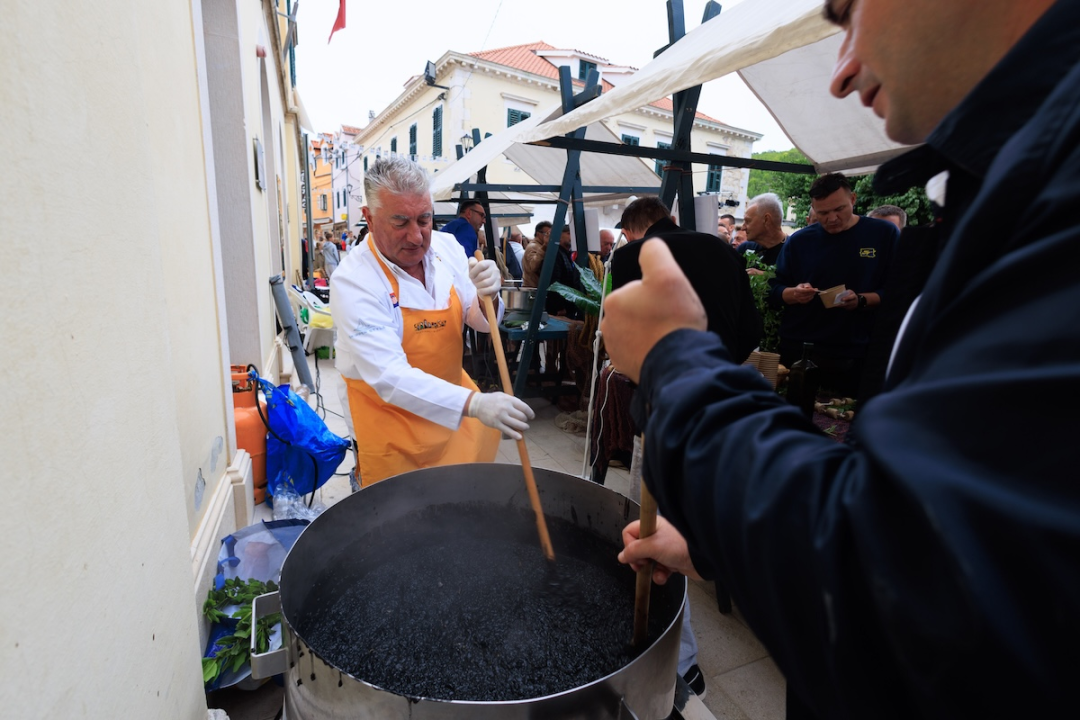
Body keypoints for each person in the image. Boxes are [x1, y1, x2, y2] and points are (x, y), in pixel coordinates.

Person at [606, 0, 1079, 717]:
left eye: (849, 11)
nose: (842, 69)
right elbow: (908, 512)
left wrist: (676, 365)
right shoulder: (1006, 181)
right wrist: (714, 545)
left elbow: (909, 612)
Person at [329, 156, 534, 487]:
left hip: (450, 413)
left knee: (460, 504)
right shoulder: (353, 281)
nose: (416, 237)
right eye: (400, 222)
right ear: (368, 217)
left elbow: (480, 319)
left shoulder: (446, 247)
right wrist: (476, 403)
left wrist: (490, 295)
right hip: (389, 423)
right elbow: (390, 376)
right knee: (397, 521)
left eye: (424, 219)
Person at [768, 173, 898, 396]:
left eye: (839, 209)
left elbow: (899, 291)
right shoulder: (800, 241)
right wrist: (793, 294)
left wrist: (861, 300)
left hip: (855, 350)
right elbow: (774, 289)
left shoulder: (883, 234)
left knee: (842, 417)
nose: (832, 218)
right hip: (800, 347)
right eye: (823, 213)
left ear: (853, 199)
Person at [612, 196, 760, 364]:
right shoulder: (723, 249)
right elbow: (751, 328)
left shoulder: (630, 254)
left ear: (625, 233)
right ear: (673, 220)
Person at [738, 192, 787, 270]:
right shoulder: (744, 249)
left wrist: (767, 278)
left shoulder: (793, 250)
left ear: (766, 220)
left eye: (748, 221)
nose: (743, 228)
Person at [521, 220, 551, 288]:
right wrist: (544, 248)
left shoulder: (539, 245)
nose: (550, 236)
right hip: (532, 288)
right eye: (547, 234)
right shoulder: (533, 247)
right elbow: (533, 266)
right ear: (538, 234)